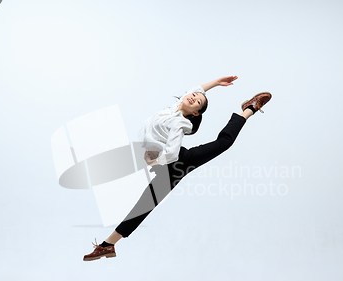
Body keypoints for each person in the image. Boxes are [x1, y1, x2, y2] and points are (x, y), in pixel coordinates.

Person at [83, 76, 271, 261]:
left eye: (197, 102)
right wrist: (215, 83)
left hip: (179, 162)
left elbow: (172, 154)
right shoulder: (172, 109)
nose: (193, 97)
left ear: (196, 112)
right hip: (166, 161)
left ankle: (248, 110)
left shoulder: (180, 122)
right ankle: (108, 245)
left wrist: (155, 163)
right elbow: (196, 90)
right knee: (145, 203)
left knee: (223, 143)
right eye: (194, 95)